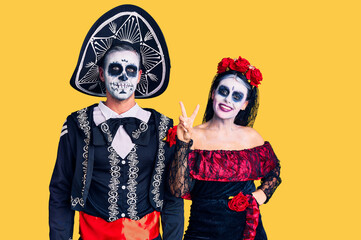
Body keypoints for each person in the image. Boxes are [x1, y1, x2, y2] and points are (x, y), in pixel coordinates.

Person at [49, 5, 183, 240]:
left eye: (131, 70)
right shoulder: (77, 124)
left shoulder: (163, 127)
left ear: (140, 76)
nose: (123, 77)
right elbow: (60, 190)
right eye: (115, 69)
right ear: (102, 74)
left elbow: (172, 196)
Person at [168, 56, 281, 240]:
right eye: (223, 91)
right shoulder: (191, 135)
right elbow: (178, 190)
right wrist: (183, 143)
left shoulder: (252, 137)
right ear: (213, 93)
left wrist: (259, 196)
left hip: (248, 231)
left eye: (236, 96)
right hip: (202, 233)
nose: (228, 100)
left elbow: (274, 172)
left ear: (245, 104)